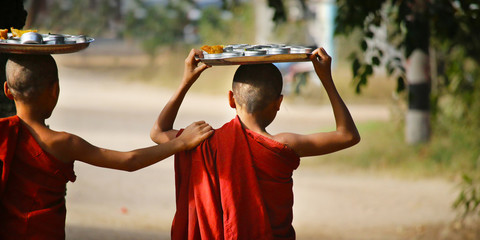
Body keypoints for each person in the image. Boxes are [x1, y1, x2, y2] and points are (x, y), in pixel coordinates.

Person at [150, 47, 360, 239]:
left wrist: (186, 81)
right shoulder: (285, 144)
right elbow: (348, 135)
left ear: (231, 99)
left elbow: (158, 132)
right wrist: (326, 79)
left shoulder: (203, 142)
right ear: (279, 103)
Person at [0, 54, 213, 240]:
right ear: (55, 89)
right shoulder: (63, 143)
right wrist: (182, 142)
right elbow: (130, 161)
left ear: (7, 90)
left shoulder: (3, 134)